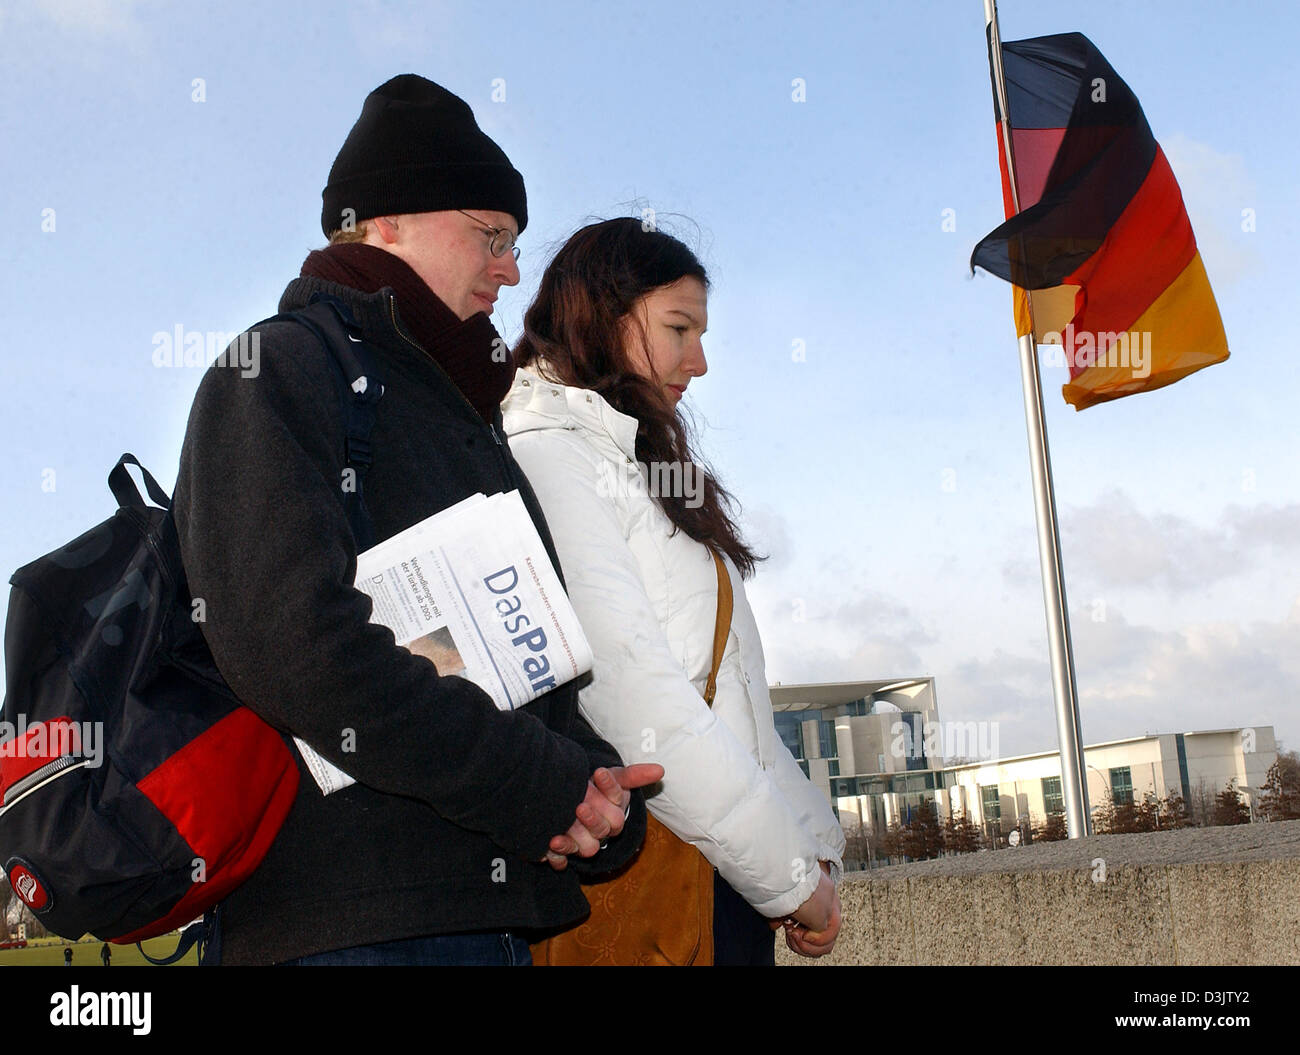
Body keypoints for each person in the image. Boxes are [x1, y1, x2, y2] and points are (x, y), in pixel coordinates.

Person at [171, 77, 659, 966]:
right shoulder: (272, 371)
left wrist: (595, 793)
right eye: (492, 234)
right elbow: (296, 647)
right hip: (346, 932)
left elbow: (536, 670)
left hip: (486, 915)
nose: (512, 268)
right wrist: (530, 782)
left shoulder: (466, 416)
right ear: (386, 221)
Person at [503, 218, 846, 964]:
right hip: (658, 868)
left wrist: (810, 849)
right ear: (603, 314)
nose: (702, 360)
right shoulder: (549, 459)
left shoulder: (642, 466)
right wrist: (789, 877)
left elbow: (732, 695)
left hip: (715, 869)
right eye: (679, 328)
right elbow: (632, 697)